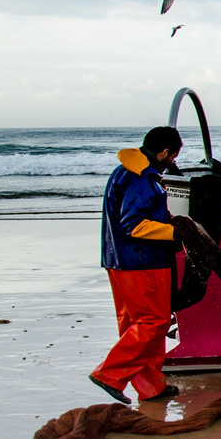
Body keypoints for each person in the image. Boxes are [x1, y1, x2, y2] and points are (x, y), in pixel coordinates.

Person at [90, 126, 183, 404]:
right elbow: (133, 224)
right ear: (164, 151)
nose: (174, 161)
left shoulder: (125, 171)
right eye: (174, 155)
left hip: (117, 260)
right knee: (155, 321)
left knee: (135, 323)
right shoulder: (142, 178)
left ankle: (151, 386)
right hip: (143, 262)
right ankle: (109, 374)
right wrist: (173, 233)